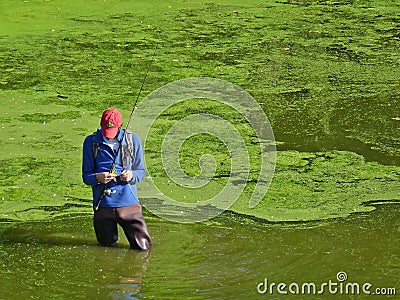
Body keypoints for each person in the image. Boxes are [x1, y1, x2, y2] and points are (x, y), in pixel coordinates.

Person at [82, 108, 152, 251]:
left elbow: (141, 172)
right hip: (103, 205)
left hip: (129, 204)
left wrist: (131, 175)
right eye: (106, 132)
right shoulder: (91, 142)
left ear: (119, 127)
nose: (108, 136)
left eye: (112, 132)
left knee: (143, 249)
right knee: (105, 249)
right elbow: (86, 176)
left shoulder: (133, 140)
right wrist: (98, 177)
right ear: (101, 124)